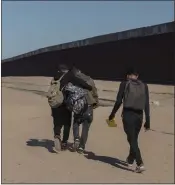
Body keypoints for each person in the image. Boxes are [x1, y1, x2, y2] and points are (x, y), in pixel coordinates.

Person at [108, 68, 150, 173]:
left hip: (128, 114)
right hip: (140, 116)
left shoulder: (124, 84)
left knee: (131, 139)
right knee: (134, 138)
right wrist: (148, 120)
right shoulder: (144, 86)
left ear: (127, 76)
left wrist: (112, 114)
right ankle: (130, 159)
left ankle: (140, 163)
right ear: (137, 76)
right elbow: (146, 104)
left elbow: (118, 101)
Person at [60, 66, 96, 154]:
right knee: (86, 127)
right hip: (88, 105)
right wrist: (95, 103)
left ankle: (76, 138)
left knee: (76, 123)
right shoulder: (90, 80)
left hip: (78, 106)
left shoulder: (74, 80)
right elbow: (94, 93)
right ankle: (81, 147)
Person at [49, 65, 72, 151]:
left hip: (55, 104)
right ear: (66, 70)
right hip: (65, 104)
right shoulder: (68, 77)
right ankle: (64, 142)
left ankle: (57, 135)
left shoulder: (54, 78)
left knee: (57, 122)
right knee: (67, 123)